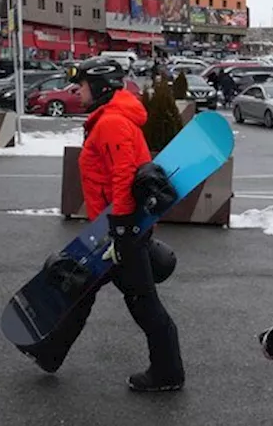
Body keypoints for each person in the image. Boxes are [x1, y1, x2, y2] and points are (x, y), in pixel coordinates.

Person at [68, 57, 185, 392]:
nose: (78, 90)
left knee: (143, 303)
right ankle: (49, 350)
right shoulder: (109, 119)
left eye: (84, 84)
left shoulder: (111, 123)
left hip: (122, 229)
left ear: (102, 88)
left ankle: (167, 373)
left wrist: (119, 228)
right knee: (96, 292)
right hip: (118, 226)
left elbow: (123, 176)